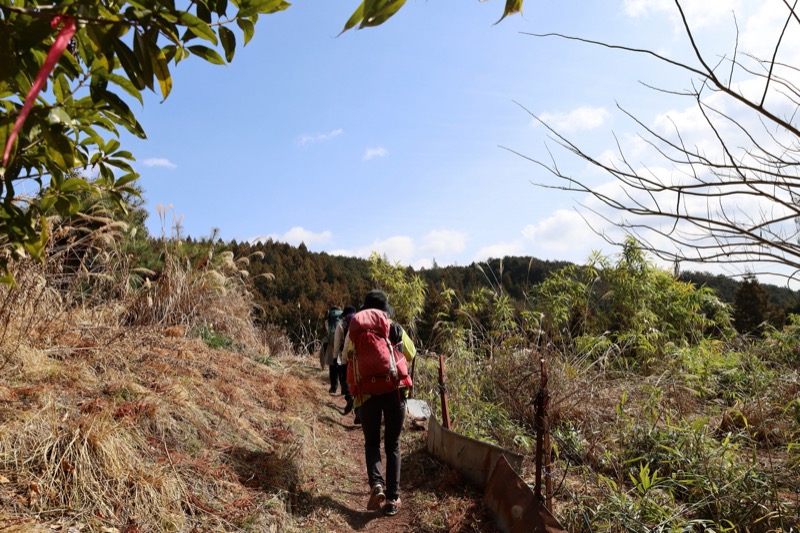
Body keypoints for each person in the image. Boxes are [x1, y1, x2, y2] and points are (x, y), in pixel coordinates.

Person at [343, 290, 416, 517]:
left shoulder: (356, 327)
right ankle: (393, 499)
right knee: (392, 444)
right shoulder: (393, 326)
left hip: (366, 395)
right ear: (385, 309)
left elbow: (346, 357)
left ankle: (377, 485)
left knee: (372, 443)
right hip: (394, 392)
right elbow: (411, 354)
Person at [333, 305, 357, 415]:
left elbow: (338, 343)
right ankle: (358, 412)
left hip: (347, 355)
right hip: (359, 357)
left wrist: (336, 358)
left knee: (345, 378)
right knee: (357, 382)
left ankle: (348, 397)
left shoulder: (341, 324)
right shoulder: (360, 323)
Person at [319, 306, 343, 393]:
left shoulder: (328, 321)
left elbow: (327, 330)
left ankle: (334, 387)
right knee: (341, 366)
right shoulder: (342, 318)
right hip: (341, 345)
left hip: (331, 345)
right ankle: (344, 387)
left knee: (332, 366)